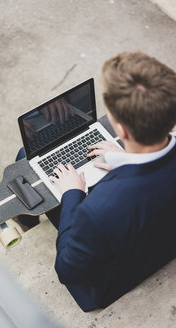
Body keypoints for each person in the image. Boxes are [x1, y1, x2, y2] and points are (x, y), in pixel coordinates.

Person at [16, 51, 176, 312]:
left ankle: (26, 222)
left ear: (121, 131)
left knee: (24, 156)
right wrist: (127, 156)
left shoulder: (97, 210)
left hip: (110, 281)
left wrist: (72, 194)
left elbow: (68, 271)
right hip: (162, 245)